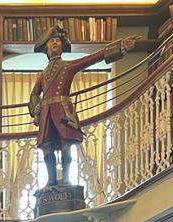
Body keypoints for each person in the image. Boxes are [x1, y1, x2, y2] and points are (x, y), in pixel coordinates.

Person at [28, 25, 137, 187]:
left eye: (57, 40)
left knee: (66, 144)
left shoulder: (68, 66)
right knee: (46, 146)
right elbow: (34, 94)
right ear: (46, 48)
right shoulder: (42, 74)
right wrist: (36, 108)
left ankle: (66, 179)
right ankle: (51, 180)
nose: (55, 43)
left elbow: (92, 58)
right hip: (46, 113)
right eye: (51, 41)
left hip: (63, 111)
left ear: (62, 46)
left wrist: (119, 47)